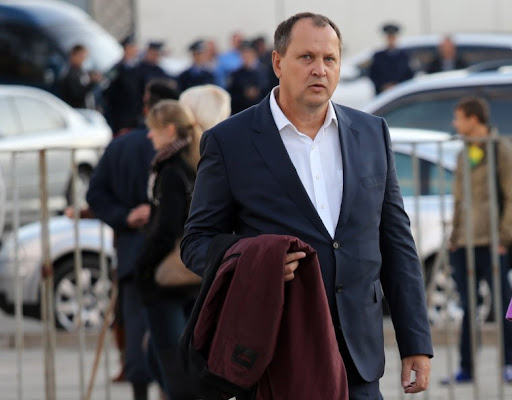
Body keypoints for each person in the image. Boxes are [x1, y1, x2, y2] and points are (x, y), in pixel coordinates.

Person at [181, 12, 432, 399]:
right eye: (307, 57)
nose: (320, 69)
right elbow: (196, 242)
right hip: (277, 355)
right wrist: (255, 261)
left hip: (359, 358)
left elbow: (397, 242)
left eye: (330, 59)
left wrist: (415, 341)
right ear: (278, 62)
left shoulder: (371, 133)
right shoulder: (229, 141)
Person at [86, 78, 179, 400]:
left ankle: (143, 390)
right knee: (168, 335)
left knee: (141, 328)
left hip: (140, 252)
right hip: (170, 255)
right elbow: (96, 194)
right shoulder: (178, 149)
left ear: (145, 105)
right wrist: (127, 215)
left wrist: (124, 215)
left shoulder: (123, 145)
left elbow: (95, 195)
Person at [443, 97, 512, 384]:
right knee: (468, 308)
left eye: (459, 118)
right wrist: (454, 236)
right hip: (465, 243)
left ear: (473, 119)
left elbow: (511, 196)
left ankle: (509, 363)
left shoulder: (499, 150)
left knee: (504, 306)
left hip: (492, 242)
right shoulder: (464, 153)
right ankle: (466, 368)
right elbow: (460, 200)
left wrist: (504, 237)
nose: (455, 123)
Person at [103, 34, 142, 136]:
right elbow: (108, 91)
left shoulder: (137, 68)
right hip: (120, 117)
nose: (135, 50)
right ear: (126, 49)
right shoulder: (117, 69)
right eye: (132, 47)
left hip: (134, 116)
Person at [369, 23, 414, 94]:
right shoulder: (378, 56)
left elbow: (409, 75)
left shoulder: (404, 56)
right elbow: (373, 75)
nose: (391, 40)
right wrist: (384, 86)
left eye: (393, 37)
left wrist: (397, 85)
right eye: (389, 37)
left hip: (400, 93)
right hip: (383, 93)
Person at [227, 40, 269, 114]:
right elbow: (232, 95)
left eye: (248, 53)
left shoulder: (265, 71)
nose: (246, 57)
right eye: (243, 54)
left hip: (261, 111)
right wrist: (244, 94)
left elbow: (268, 90)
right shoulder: (236, 74)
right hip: (241, 111)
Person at [59, 44, 101, 108]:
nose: (83, 60)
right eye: (81, 56)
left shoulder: (80, 71)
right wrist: (92, 83)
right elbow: (76, 95)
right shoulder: (69, 72)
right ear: (73, 55)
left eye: (84, 57)